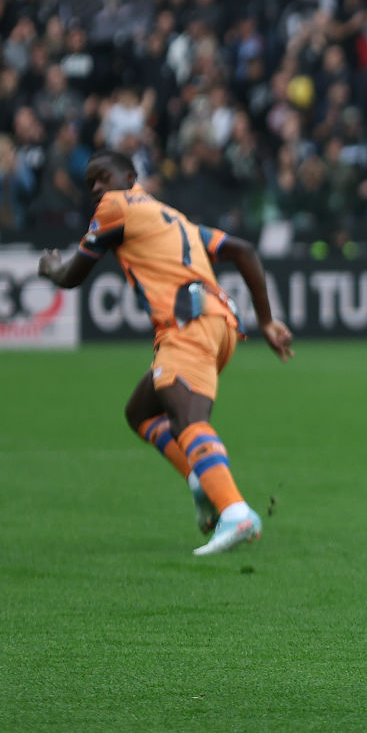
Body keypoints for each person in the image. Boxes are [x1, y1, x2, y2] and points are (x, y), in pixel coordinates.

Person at [37, 150, 294, 554]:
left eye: (103, 177)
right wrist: (265, 320)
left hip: (187, 324)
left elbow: (73, 275)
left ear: (130, 175)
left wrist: (50, 267)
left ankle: (236, 511)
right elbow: (243, 249)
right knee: (140, 412)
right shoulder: (173, 218)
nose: (97, 189)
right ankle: (200, 479)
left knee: (189, 420)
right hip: (219, 326)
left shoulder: (115, 207)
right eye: (90, 184)